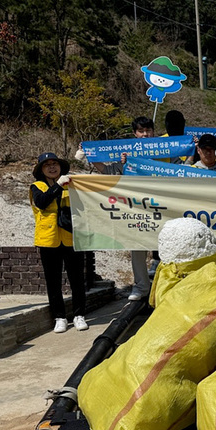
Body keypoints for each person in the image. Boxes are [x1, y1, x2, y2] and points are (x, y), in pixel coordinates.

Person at [74, 119, 153, 301]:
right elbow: (107, 170)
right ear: (135, 133)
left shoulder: (163, 152)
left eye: (148, 130)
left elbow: (179, 167)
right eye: (141, 131)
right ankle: (141, 287)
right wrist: (91, 154)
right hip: (136, 208)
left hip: (160, 206)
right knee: (137, 249)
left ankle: (165, 285)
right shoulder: (126, 154)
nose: (145, 134)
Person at [30, 153, 88, 333]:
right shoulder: (36, 187)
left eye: (55, 164)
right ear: (41, 169)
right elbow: (42, 202)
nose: (52, 167)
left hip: (71, 237)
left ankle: (79, 315)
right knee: (53, 281)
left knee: (77, 279)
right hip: (49, 240)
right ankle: (60, 317)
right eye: (47, 165)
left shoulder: (72, 185)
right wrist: (58, 186)